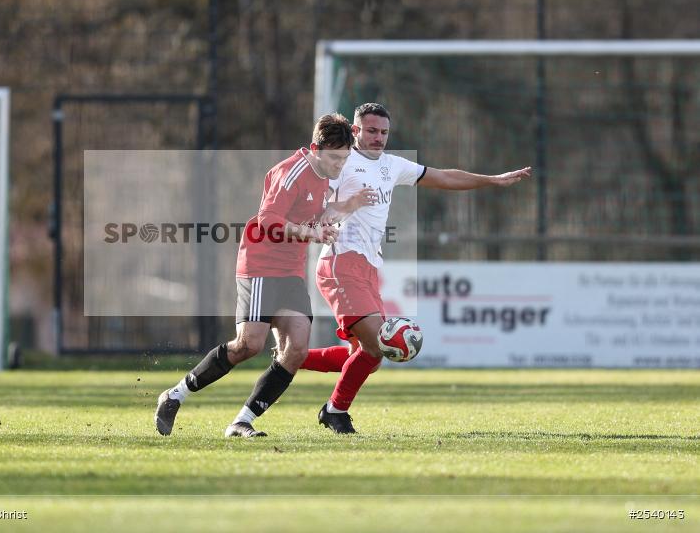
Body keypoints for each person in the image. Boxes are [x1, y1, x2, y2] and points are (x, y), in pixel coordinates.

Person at [301, 102, 532, 434]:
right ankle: (335, 411)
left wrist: (492, 180)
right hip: (339, 262)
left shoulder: (393, 166)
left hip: (367, 267)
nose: (378, 138)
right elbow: (313, 199)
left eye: (383, 132)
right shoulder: (340, 161)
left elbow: (444, 176)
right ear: (355, 131)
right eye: (371, 131)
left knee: (365, 356)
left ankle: (292, 357)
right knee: (376, 348)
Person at [155, 113, 368, 438]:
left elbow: (319, 213)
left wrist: (347, 206)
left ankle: (242, 421)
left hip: (291, 271)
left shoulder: (327, 175)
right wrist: (308, 234)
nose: (340, 165)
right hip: (261, 265)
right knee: (248, 346)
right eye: (335, 158)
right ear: (315, 148)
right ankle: (175, 395)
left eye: (344, 159)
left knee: (296, 349)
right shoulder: (291, 171)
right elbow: (268, 219)